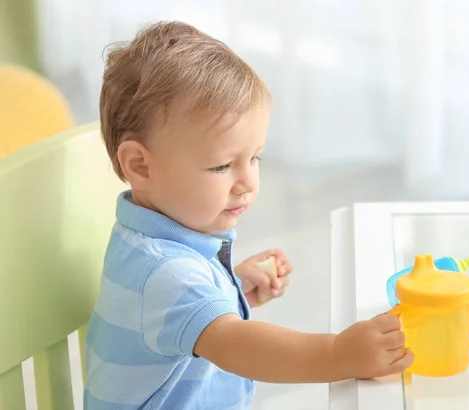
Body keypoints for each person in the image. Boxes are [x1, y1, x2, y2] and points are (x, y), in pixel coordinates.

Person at [84, 21, 413, 409]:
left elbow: (174, 316)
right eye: (222, 166)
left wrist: (229, 285)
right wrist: (340, 354)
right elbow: (240, 348)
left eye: (254, 158)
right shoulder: (164, 275)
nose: (247, 183)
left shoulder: (146, 245)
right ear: (140, 166)